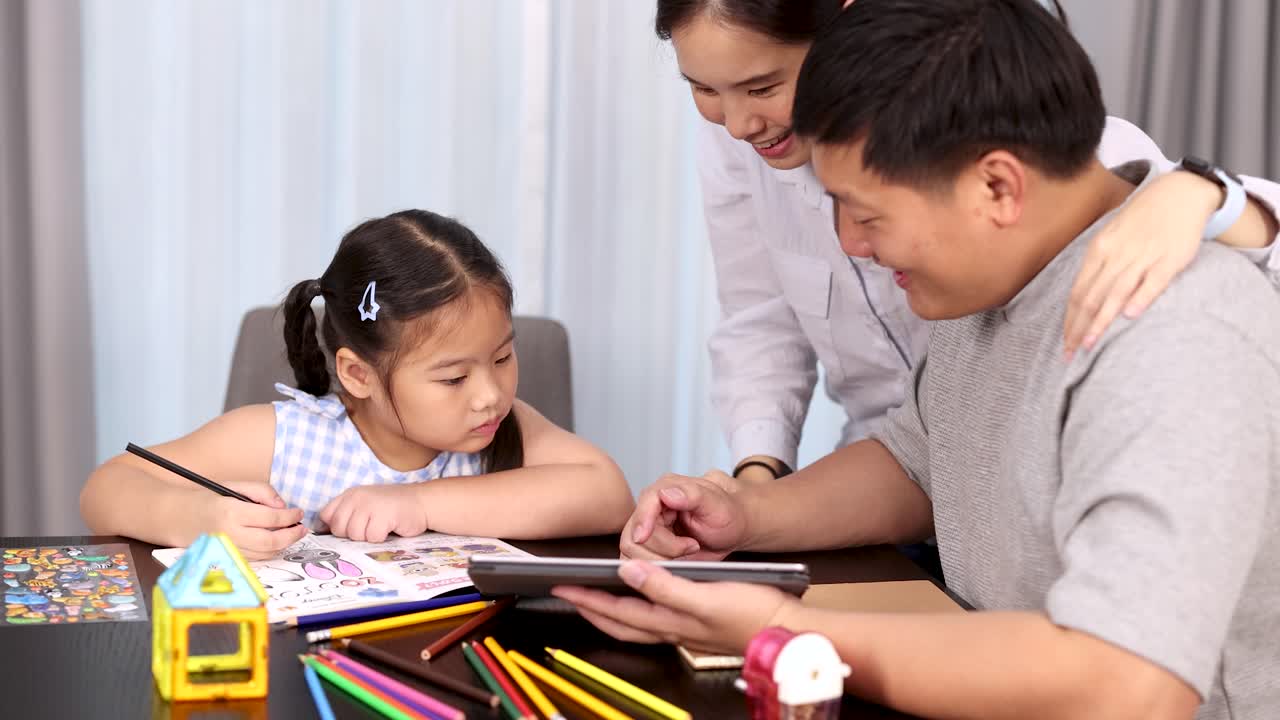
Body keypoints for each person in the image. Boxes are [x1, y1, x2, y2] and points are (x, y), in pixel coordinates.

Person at [555, 1, 1280, 717]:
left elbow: (1129, 683)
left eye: (867, 215)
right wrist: (746, 513)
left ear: (997, 187)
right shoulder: (987, 278)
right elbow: (919, 460)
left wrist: (778, 631)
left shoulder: (1173, 324)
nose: (851, 245)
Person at [657, 0, 1280, 488]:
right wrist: (758, 480)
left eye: (763, 88)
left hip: (1013, 498)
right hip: (895, 480)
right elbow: (760, 318)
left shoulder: (1055, 164)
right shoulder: (743, 146)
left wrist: (1202, 194)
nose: (738, 124)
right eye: (704, 89)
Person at [81, 209, 633, 559]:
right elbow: (106, 489)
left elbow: (609, 496)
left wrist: (419, 505)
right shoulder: (286, 441)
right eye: (454, 376)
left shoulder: (501, 429)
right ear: (357, 374)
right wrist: (202, 518)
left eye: (503, 356)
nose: (489, 393)